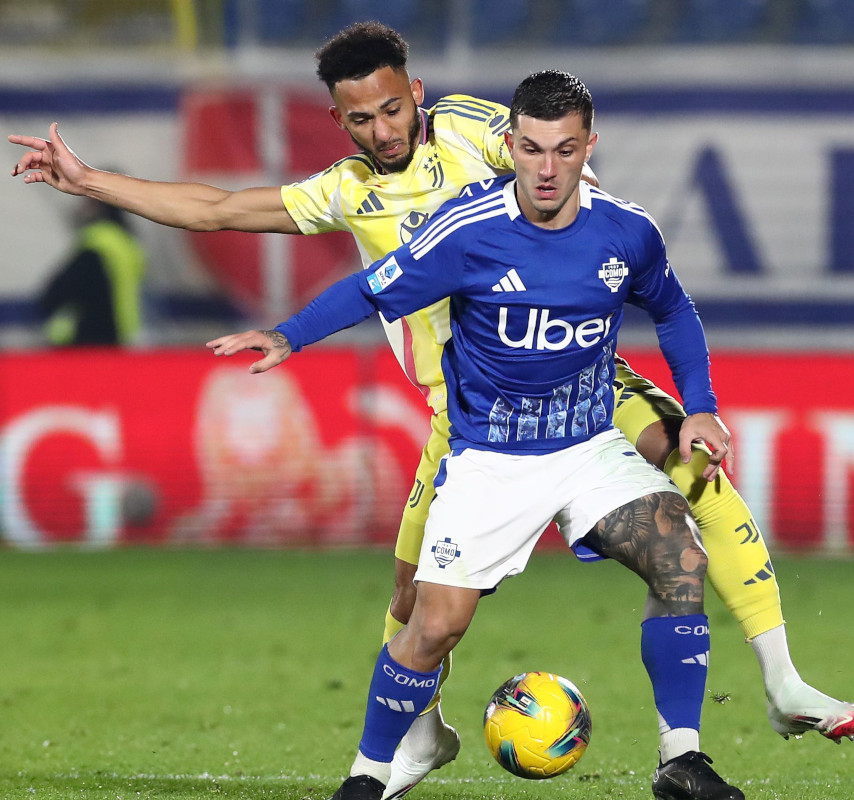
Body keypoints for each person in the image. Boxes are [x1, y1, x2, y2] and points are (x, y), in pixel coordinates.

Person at [9, 20, 854, 795]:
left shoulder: (471, 132)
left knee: (686, 461)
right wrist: (93, 184)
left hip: (576, 378)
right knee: (415, 598)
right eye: (359, 120)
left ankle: (779, 679)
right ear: (339, 122)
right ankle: (416, 738)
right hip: (466, 414)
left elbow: (560, 182)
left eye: (390, 109)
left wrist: (577, 226)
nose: (380, 131)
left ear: (414, 94)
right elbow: (220, 209)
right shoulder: (347, 190)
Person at [211, 69, 743, 800]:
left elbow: (674, 310)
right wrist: (288, 334)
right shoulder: (469, 230)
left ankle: (681, 760)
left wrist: (702, 405)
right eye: (531, 149)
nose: (547, 168)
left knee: (679, 551)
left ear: (590, 145)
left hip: (587, 448)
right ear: (510, 145)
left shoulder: (627, 231)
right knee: (433, 628)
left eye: (564, 150)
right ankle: (367, 778)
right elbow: (374, 288)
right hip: (490, 459)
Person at [39, 196, 145, 346]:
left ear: (96, 206)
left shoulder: (96, 243)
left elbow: (55, 294)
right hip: (123, 335)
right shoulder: (128, 244)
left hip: (91, 341)